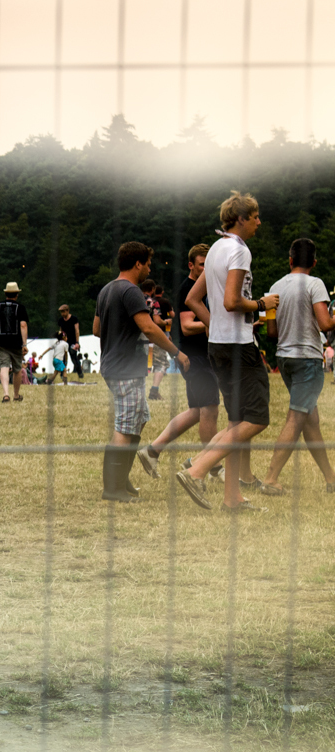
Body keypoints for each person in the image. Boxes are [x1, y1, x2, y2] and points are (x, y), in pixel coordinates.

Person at [178, 191, 278, 512]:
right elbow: (233, 301)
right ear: (240, 219)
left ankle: (232, 499)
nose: (259, 222)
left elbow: (193, 299)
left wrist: (213, 324)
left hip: (217, 346)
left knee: (236, 421)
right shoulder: (237, 251)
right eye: (255, 217)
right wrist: (263, 304)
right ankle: (197, 469)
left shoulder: (216, 249)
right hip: (238, 347)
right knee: (257, 418)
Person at [94, 241, 190, 503]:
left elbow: (96, 330)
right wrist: (176, 352)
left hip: (114, 366)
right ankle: (112, 488)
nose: (149, 268)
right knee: (125, 428)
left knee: (139, 418)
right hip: (125, 369)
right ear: (137, 263)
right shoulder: (131, 291)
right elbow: (148, 328)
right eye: (148, 263)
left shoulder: (106, 290)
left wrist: (120, 331)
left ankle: (121, 479)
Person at [136, 244, 224, 482]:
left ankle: (152, 451)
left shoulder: (208, 288)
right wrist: (215, 323)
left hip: (200, 358)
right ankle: (210, 467)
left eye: (209, 263)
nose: (207, 268)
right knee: (210, 410)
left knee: (196, 412)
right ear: (191, 265)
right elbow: (186, 326)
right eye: (203, 264)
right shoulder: (188, 289)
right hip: (195, 359)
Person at [258, 238, 335, 494]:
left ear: (290, 260)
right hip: (308, 360)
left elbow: (271, 331)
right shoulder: (315, 284)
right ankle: (270, 478)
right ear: (314, 261)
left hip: (285, 358)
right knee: (296, 417)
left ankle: (331, 479)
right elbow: (325, 324)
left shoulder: (275, 287)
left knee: (309, 419)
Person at [0, 282, 29, 402]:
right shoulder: (20, 307)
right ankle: (16, 395)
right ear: (17, 294)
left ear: (5, 294)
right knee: (17, 369)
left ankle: (6, 394)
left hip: (2, 343)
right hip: (16, 343)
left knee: (4, 367)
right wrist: (24, 344)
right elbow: (23, 325)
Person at [141, 279, 171, 400]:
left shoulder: (133, 298)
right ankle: (154, 391)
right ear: (152, 289)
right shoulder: (153, 302)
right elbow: (157, 321)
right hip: (153, 337)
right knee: (160, 364)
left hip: (136, 338)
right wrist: (166, 323)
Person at [56, 304, 84, 380]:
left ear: (68, 311)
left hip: (73, 342)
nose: (62, 314)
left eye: (63, 312)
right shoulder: (61, 320)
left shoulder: (74, 319)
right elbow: (61, 331)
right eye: (61, 312)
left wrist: (77, 342)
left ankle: (80, 373)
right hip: (64, 342)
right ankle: (62, 374)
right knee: (63, 359)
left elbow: (77, 331)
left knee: (74, 359)